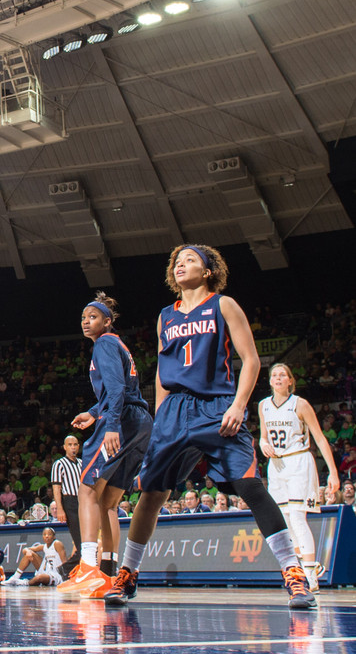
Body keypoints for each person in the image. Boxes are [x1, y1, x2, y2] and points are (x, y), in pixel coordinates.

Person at [104, 245, 316, 610]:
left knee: (250, 486)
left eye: (190, 260)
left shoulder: (224, 305)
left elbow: (250, 360)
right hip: (174, 411)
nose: (181, 264)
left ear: (208, 271)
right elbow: (160, 374)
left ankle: (294, 573)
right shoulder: (164, 317)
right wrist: (160, 417)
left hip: (216, 406)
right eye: (177, 261)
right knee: (152, 495)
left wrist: (238, 404)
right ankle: (128, 574)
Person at [62, 293, 153, 597]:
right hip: (140, 422)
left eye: (93, 316)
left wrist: (110, 425)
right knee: (108, 503)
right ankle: (108, 572)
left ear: (107, 321)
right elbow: (121, 390)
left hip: (123, 421)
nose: (86, 321)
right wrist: (93, 412)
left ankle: (88, 568)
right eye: (83, 317)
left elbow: (115, 388)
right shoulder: (118, 345)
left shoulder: (105, 343)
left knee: (86, 489)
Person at [258, 362, 339, 591]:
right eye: (274, 375)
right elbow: (264, 436)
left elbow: (320, 439)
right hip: (276, 466)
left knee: (297, 517)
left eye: (283, 375)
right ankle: (309, 567)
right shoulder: (263, 406)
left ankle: (311, 577)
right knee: (284, 521)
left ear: (290, 380)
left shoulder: (300, 404)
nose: (278, 378)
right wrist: (264, 444)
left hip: (299, 461)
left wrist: (333, 472)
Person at [50, 434, 82, 578]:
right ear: (64, 447)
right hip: (69, 502)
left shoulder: (82, 463)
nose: (73, 447)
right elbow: (57, 488)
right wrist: (60, 508)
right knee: (82, 544)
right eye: (70, 444)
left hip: (83, 502)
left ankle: (67, 570)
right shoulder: (59, 464)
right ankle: (65, 569)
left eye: (75, 444)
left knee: (87, 543)